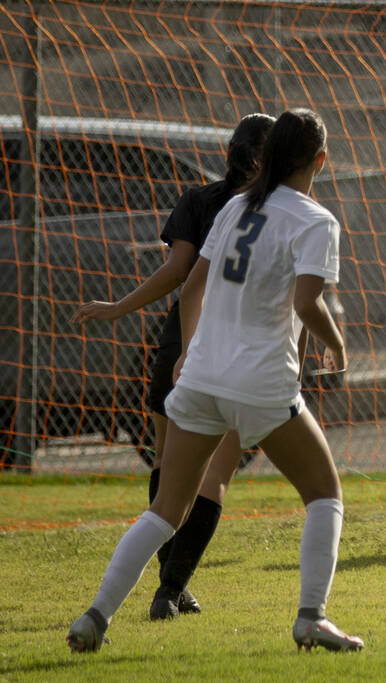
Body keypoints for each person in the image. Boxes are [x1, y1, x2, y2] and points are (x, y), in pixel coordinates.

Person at [67, 108, 361, 653]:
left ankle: (95, 616)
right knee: (325, 496)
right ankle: (311, 618)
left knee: (164, 510)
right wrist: (338, 344)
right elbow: (306, 301)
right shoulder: (316, 220)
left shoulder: (232, 207)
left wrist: (191, 354)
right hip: (261, 385)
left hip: (202, 376)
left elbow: (191, 286)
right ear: (321, 160)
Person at [71, 112, 274, 620]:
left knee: (167, 468)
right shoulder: (281, 209)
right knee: (214, 478)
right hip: (236, 352)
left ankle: (165, 590)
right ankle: (171, 587)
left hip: (179, 348)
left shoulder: (200, 200)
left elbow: (179, 275)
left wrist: (120, 309)